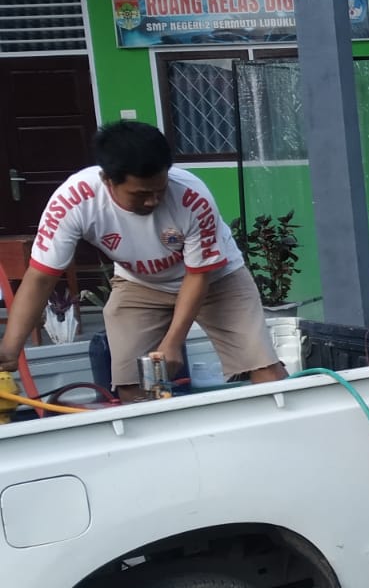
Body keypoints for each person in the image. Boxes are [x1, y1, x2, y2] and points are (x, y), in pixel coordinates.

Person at [0, 120, 288, 401]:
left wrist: (173, 342)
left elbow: (198, 275)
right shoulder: (74, 201)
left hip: (217, 280)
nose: (152, 201)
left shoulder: (192, 196)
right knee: (132, 386)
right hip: (139, 285)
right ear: (107, 181)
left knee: (264, 370)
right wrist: (11, 350)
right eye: (140, 194)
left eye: (159, 191)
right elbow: (40, 278)